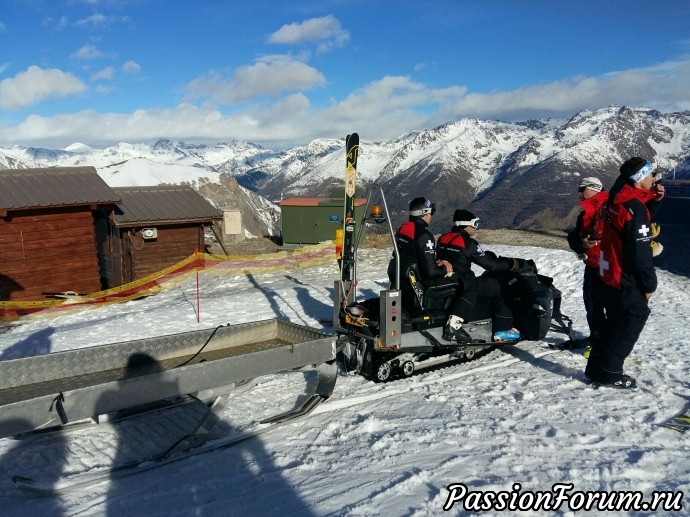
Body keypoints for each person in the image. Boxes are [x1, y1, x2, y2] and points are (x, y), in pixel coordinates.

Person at [584, 157, 665, 389]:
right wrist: (649, 285)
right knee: (632, 319)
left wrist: (654, 202)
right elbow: (640, 251)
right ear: (640, 178)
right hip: (624, 276)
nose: (654, 179)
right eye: (651, 174)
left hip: (608, 274)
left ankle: (595, 369)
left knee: (613, 322)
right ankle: (610, 372)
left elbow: (628, 222)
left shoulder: (616, 199)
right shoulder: (634, 208)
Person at [387, 197, 473, 343]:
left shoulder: (403, 229)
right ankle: (455, 325)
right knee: (467, 280)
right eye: (430, 212)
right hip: (421, 285)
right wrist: (446, 270)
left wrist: (436, 261)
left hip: (405, 281)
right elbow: (430, 272)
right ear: (424, 213)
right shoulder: (424, 236)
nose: (432, 216)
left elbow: (408, 255)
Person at [436, 209, 521, 343]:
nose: (476, 227)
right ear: (466, 225)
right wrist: (511, 263)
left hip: (444, 278)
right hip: (463, 282)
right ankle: (502, 330)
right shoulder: (469, 244)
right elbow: (491, 265)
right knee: (499, 287)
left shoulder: (443, 238)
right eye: (475, 223)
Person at [567, 177, 608, 353]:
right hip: (592, 264)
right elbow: (574, 236)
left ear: (593, 189)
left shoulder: (609, 210)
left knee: (608, 306)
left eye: (582, 189)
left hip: (609, 266)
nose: (579, 193)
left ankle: (608, 345)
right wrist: (582, 245)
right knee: (592, 305)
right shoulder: (585, 215)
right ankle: (597, 338)